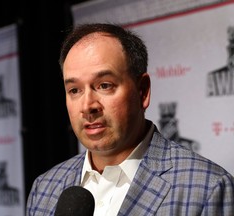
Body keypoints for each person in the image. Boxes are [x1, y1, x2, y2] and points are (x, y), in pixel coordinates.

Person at [26, 23, 234, 216]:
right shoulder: (44, 189)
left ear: (142, 91)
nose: (88, 106)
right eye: (74, 90)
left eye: (104, 85)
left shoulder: (208, 188)